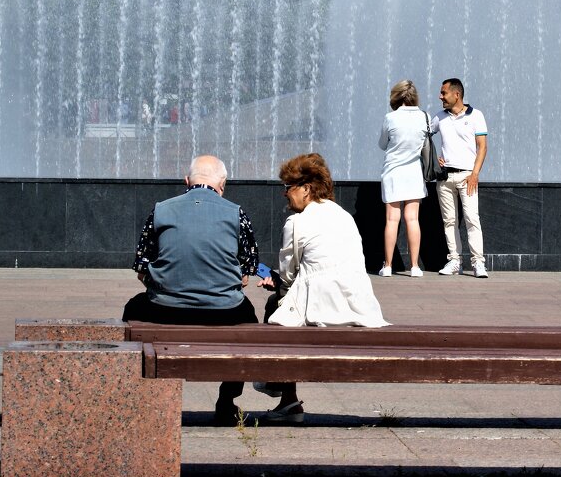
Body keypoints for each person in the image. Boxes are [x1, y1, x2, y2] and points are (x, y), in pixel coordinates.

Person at [122, 155, 259, 425]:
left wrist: (169, 285)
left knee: (132, 309)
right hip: (224, 312)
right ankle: (227, 397)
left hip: (164, 311)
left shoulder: (161, 209)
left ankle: (144, 395)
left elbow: (141, 267)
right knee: (249, 316)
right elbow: (246, 273)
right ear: (223, 184)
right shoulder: (235, 212)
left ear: (187, 182)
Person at [256, 152, 388, 423]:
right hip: (361, 309)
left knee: (276, 305)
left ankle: (278, 384)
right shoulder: (344, 216)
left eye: (288, 187)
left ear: (306, 189)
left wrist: (276, 282)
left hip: (323, 310)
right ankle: (286, 400)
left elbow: (288, 276)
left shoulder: (297, 222)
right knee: (284, 301)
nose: (284, 194)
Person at [430, 78, 489, 279]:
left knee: (473, 219)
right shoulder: (439, 117)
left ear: (457, 94)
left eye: (443, 93)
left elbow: (482, 146)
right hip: (445, 178)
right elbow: (425, 137)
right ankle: (454, 260)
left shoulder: (476, 116)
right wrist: (433, 157)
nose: (440, 96)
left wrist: (475, 174)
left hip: (466, 177)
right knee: (449, 221)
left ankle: (478, 263)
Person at [377, 79, 427, 277]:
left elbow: (382, 144)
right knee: (413, 219)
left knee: (392, 219)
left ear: (396, 96)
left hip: (393, 173)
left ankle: (388, 266)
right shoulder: (424, 117)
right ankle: (415, 267)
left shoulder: (391, 118)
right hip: (414, 172)